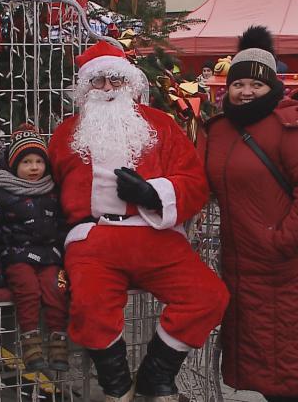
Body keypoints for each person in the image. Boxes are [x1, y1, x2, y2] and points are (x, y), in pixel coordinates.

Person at [48, 41, 230, 402]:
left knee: (209, 296)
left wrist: (152, 193)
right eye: (99, 81)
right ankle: (117, 387)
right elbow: (47, 188)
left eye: (115, 80)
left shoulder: (160, 125)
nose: (108, 89)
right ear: (86, 87)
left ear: (130, 83)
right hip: (94, 238)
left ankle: (154, 375)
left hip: (155, 235)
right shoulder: (67, 133)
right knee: (89, 306)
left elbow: (195, 182)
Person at [204, 26, 298, 402]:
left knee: (294, 377)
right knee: (266, 373)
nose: (245, 91)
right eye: (238, 84)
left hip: (290, 268)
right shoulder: (217, 131)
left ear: (273, 88)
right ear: (227, 87)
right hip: (243, 269)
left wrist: (280, 242)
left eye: (256, 84)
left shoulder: (292, 126)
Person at [0, 126, 69, 372]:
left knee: (56, 290)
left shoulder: (53, 192)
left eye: (39, 161)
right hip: (17, 257)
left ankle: (58, 340)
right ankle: (30, 342)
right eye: (26, 162)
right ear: (14, 165)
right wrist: (0, 257)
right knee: (28, 290)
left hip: (50, 257)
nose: (34, 168)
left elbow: (63, 226)